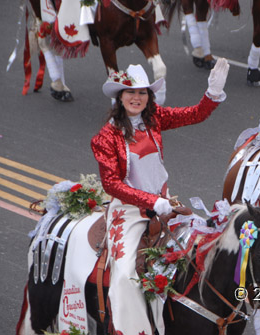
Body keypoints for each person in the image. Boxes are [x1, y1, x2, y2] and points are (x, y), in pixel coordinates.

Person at [91, 59, 229, 334]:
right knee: (127, 277)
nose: (137, 97)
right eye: (131, 92)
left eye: (143, 92)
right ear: (120, 96)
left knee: (202, 247)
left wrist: (212, 93)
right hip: (128, 212)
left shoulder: (154, 120)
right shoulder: (105, 137)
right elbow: (112, 184)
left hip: (165, 206)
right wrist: (151, 201)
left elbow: (196, 114)